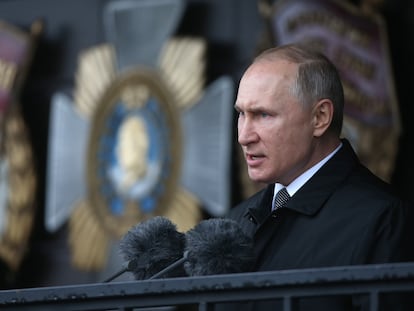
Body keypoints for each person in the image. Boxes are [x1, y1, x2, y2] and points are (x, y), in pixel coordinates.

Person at [220, 43, 414, 310]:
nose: (244, 136)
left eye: (263, 115)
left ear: (320, 117)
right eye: (241, 114)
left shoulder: (383, 220)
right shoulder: (234, 224)